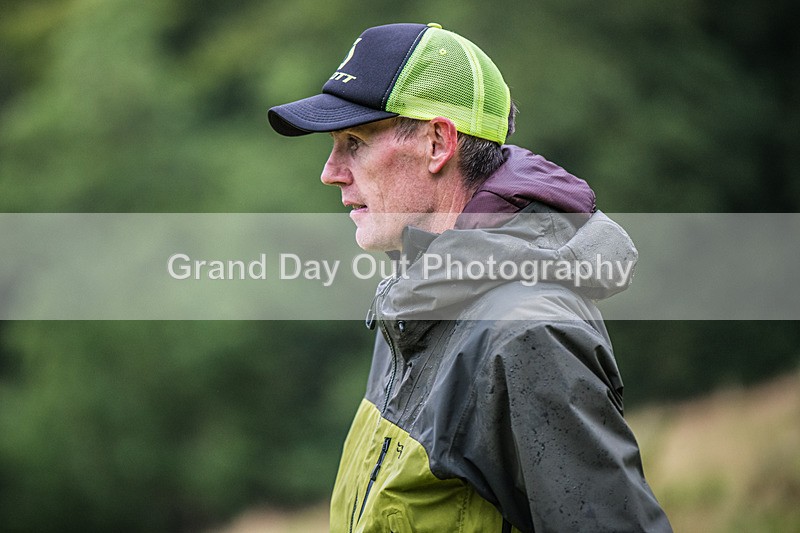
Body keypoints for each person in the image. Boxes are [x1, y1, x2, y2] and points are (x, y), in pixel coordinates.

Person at [268, 22, 671, 533]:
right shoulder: (415, 300)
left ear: (438, 142)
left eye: (354, 141)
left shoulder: (526, 333)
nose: (330, 171)